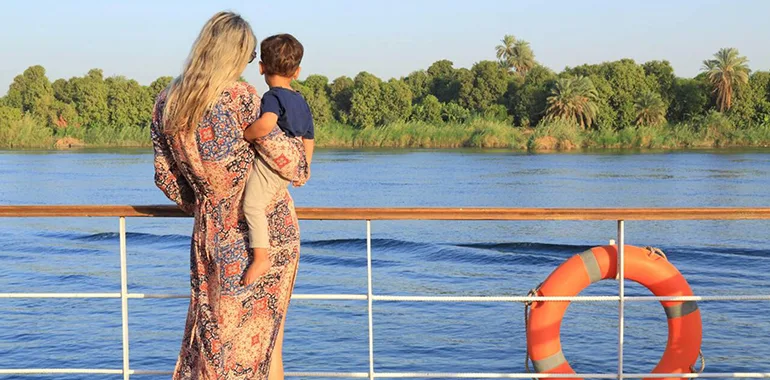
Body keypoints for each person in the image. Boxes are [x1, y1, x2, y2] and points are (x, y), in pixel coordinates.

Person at [151, 11, 308, 380]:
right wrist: (302, 154)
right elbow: (290, 166)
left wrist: (207, 201)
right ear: (236, 54)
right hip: (265, 235)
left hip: (210, 231)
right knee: (265, 342)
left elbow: (166, 178)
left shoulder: (167, 101)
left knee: (213, 340)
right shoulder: (241, 98)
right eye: (250, 55)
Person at [241, 34, 314, 287]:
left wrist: (247, 134)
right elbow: (309, 137)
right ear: (297, 72)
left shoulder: (272, 97)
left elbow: (268, 123)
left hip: (273, 164)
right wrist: (305, 169)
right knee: (269, 202)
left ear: (261, 68)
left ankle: (261, 257)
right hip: (291, 165)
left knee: (252, 205)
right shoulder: (301, 101)